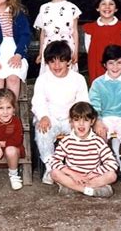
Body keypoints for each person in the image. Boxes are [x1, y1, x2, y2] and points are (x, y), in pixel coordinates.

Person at [31, 40, 89, 185]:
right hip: (49, 117)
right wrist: (43, 116)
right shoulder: (42, 79)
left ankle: (76, 168)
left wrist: (76, 119)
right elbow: (38, 101)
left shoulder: (78, 79)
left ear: (68, 61)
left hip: (72, 118)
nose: (56, 66)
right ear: (47, 63)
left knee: (83, 131)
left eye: (61, 61)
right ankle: (51, 169)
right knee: (42, 131)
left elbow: (83, 103)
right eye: (52, 62)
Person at [89, 45, 121, 183]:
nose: (115, 67)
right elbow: (94, 105)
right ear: (105, 64)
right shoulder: (97, 83)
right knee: (101, 132)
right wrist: (98, 121)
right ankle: (107, 165)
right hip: (104, 117)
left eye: (119, 62)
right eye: (111, 63)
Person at [50, 102, 118, 197]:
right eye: (77, 120)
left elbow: (112, 163)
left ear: (92, 121)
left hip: (92, 178)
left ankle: (73, 188)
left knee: (112, 175)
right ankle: (88, 190)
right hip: (73, 177)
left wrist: (93, 174)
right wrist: (72, 174)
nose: (81, 124)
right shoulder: (66, 141)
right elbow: (54, 161)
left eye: (86, 120)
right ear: (71, 122)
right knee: (54, 173)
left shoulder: (97, 141)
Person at [83, 0, 121, 83]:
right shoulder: (90, 29)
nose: (107, 7)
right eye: (103, 4)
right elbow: (89, 49)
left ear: (116, 8)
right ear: (97, 8)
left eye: (111, 4)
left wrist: (116, 64)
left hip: (119, 68)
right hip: (98, 66)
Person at [34, 0, 81, 75]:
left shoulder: (72, 8)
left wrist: (76, 53)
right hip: (49, 48)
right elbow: (43, 33)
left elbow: (75, 32)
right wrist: (40, 52)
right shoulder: (43, 8)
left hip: (67, 47)